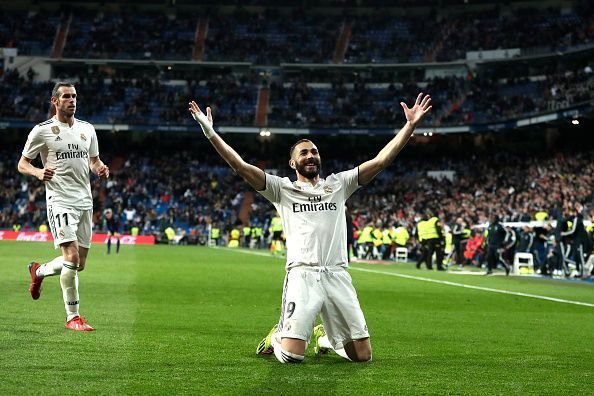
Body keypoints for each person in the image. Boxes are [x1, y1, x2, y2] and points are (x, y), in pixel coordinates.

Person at [189, 92, 432, 363]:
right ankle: (278, 336)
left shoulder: (339, 184)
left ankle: (325, 338)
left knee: (362, 357)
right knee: (292, 357)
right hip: (302, 276)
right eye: (303, 152)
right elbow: (240, 166)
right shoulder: (282, 189)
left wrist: (409, 126)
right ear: (293, 163)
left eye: (314, 151)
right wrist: (210, 131)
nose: (310, 155)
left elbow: (381, 161)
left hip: (337, 275)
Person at [19, 82, 109, 331]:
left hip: (84, 200)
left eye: (74, 96)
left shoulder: (87, 129)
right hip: (60, 200)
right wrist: (38, 172)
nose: (72, 100)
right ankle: (73, 317)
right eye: (67, 97)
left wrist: (99, 168)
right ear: (55, 101)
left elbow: (94, 159)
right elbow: (22, 163)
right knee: (70, 257)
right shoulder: (42, 131)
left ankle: (38, 272)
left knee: (79, 264)